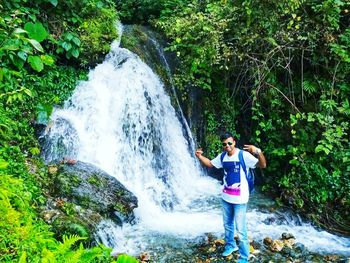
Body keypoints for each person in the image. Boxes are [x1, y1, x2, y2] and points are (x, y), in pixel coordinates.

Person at [195, 132, 266, 262]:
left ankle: (244, 257)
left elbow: (262, 165)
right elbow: (211, 164)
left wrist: (258, 151)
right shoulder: (223, 157)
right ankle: (230, 246)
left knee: (241, 230)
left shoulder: (243, 155)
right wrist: (200, 157)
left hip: (240, 199)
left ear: (234, 142)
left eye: (229, 143)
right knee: (227, 225)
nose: (227, 146)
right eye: (224, 144)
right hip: (226, 197)